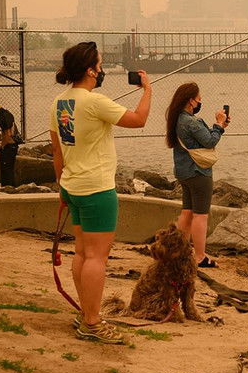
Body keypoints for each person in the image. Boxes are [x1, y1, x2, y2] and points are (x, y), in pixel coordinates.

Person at [49, 42, 152, 345]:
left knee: (82, 253)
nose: (102, 69)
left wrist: (61, 187)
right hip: (97, 188)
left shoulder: (59, 102)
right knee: (97, 257)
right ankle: (92, 322)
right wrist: (147, 91)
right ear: (91, 70)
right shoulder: (94, 102)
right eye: (100, 63)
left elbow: (57, 150)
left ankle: (86, 313)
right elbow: (138, 120)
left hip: (73, 185)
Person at [165, 82, 228, 267]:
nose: (200, 102)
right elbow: (209, 141)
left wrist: (220, 126)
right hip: (198, 172)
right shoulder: (190, 122)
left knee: (187, 211)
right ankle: (199, 256)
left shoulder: (177, 119)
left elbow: (203, 138)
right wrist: (218, 124)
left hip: (183, 172)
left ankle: (178, 250)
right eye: (199, 99)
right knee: (201, 215)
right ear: (191, 101)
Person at [0, 102, 20, 187]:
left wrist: (2, 146)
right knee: (10, 167)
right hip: (13, 145)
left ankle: (7, 185)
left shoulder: (3, 119)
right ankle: (11, 184)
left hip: (9, 146)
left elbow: (7, 134)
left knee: (6, 167)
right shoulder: (8, 115)